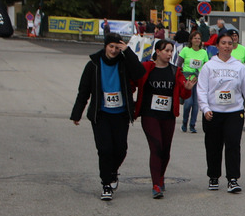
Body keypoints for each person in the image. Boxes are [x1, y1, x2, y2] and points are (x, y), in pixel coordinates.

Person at [70, 33, 147, 200]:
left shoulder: (124, 62)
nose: (114, 50)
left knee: (120, 149)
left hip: (121, 114)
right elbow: (83, 91)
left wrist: (128, 52)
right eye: (111, 47)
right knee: (105, 150)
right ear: (105, 46)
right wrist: (77, 113)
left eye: (117, 47)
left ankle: (112, 172)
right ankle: (106, 184)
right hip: (101, 113)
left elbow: (140, 73)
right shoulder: (93, 65)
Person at [196, 32, 245, 193]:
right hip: (213, 113)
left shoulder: (239, 67)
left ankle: (233, 179)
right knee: (213, 146)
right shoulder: (209, 66)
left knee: (233, 145)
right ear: (217, 46)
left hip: (234, 112)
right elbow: (202, 89)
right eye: (223, 43)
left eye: (230, 43)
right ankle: (213, 176)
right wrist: (205, 108)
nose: (227, 46)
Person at [131, 39, 194, 198]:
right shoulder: (146, 68)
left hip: (167, 116)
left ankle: (160, 176)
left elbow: (183, 93)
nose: (169, 54)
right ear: (157, 52)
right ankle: (155, 185)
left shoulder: (175, 71)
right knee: (156, 146)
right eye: (166, 50)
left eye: (171, 51)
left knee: (165, 150)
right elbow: (133, 83)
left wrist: (187, 90)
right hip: (149, 114)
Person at [180, 30, 209, 133]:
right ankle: (184, 122)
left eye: (199, 38)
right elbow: (179, 64)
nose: (197, 40)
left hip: (199, 79)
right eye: (195, 38)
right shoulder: (185, 50)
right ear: (191, 40)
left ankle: (192, 125)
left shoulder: (204, 52)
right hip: (187, 79)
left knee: (196, 104)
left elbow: (206, 66)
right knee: (188, 103)